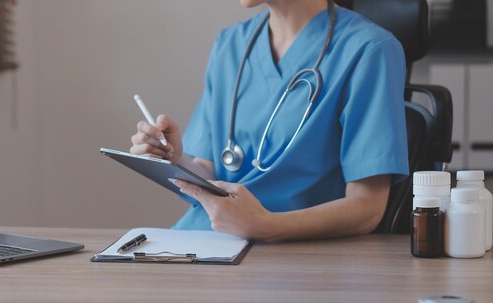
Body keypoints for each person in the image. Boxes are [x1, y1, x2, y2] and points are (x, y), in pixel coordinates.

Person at [129, 0, 408, 241]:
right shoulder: (230, 45)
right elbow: (211, 173)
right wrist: (175, 160)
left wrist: (265, 227)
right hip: (204, 242)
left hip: (292, 255)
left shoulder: (369, 50)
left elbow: (367, 207)